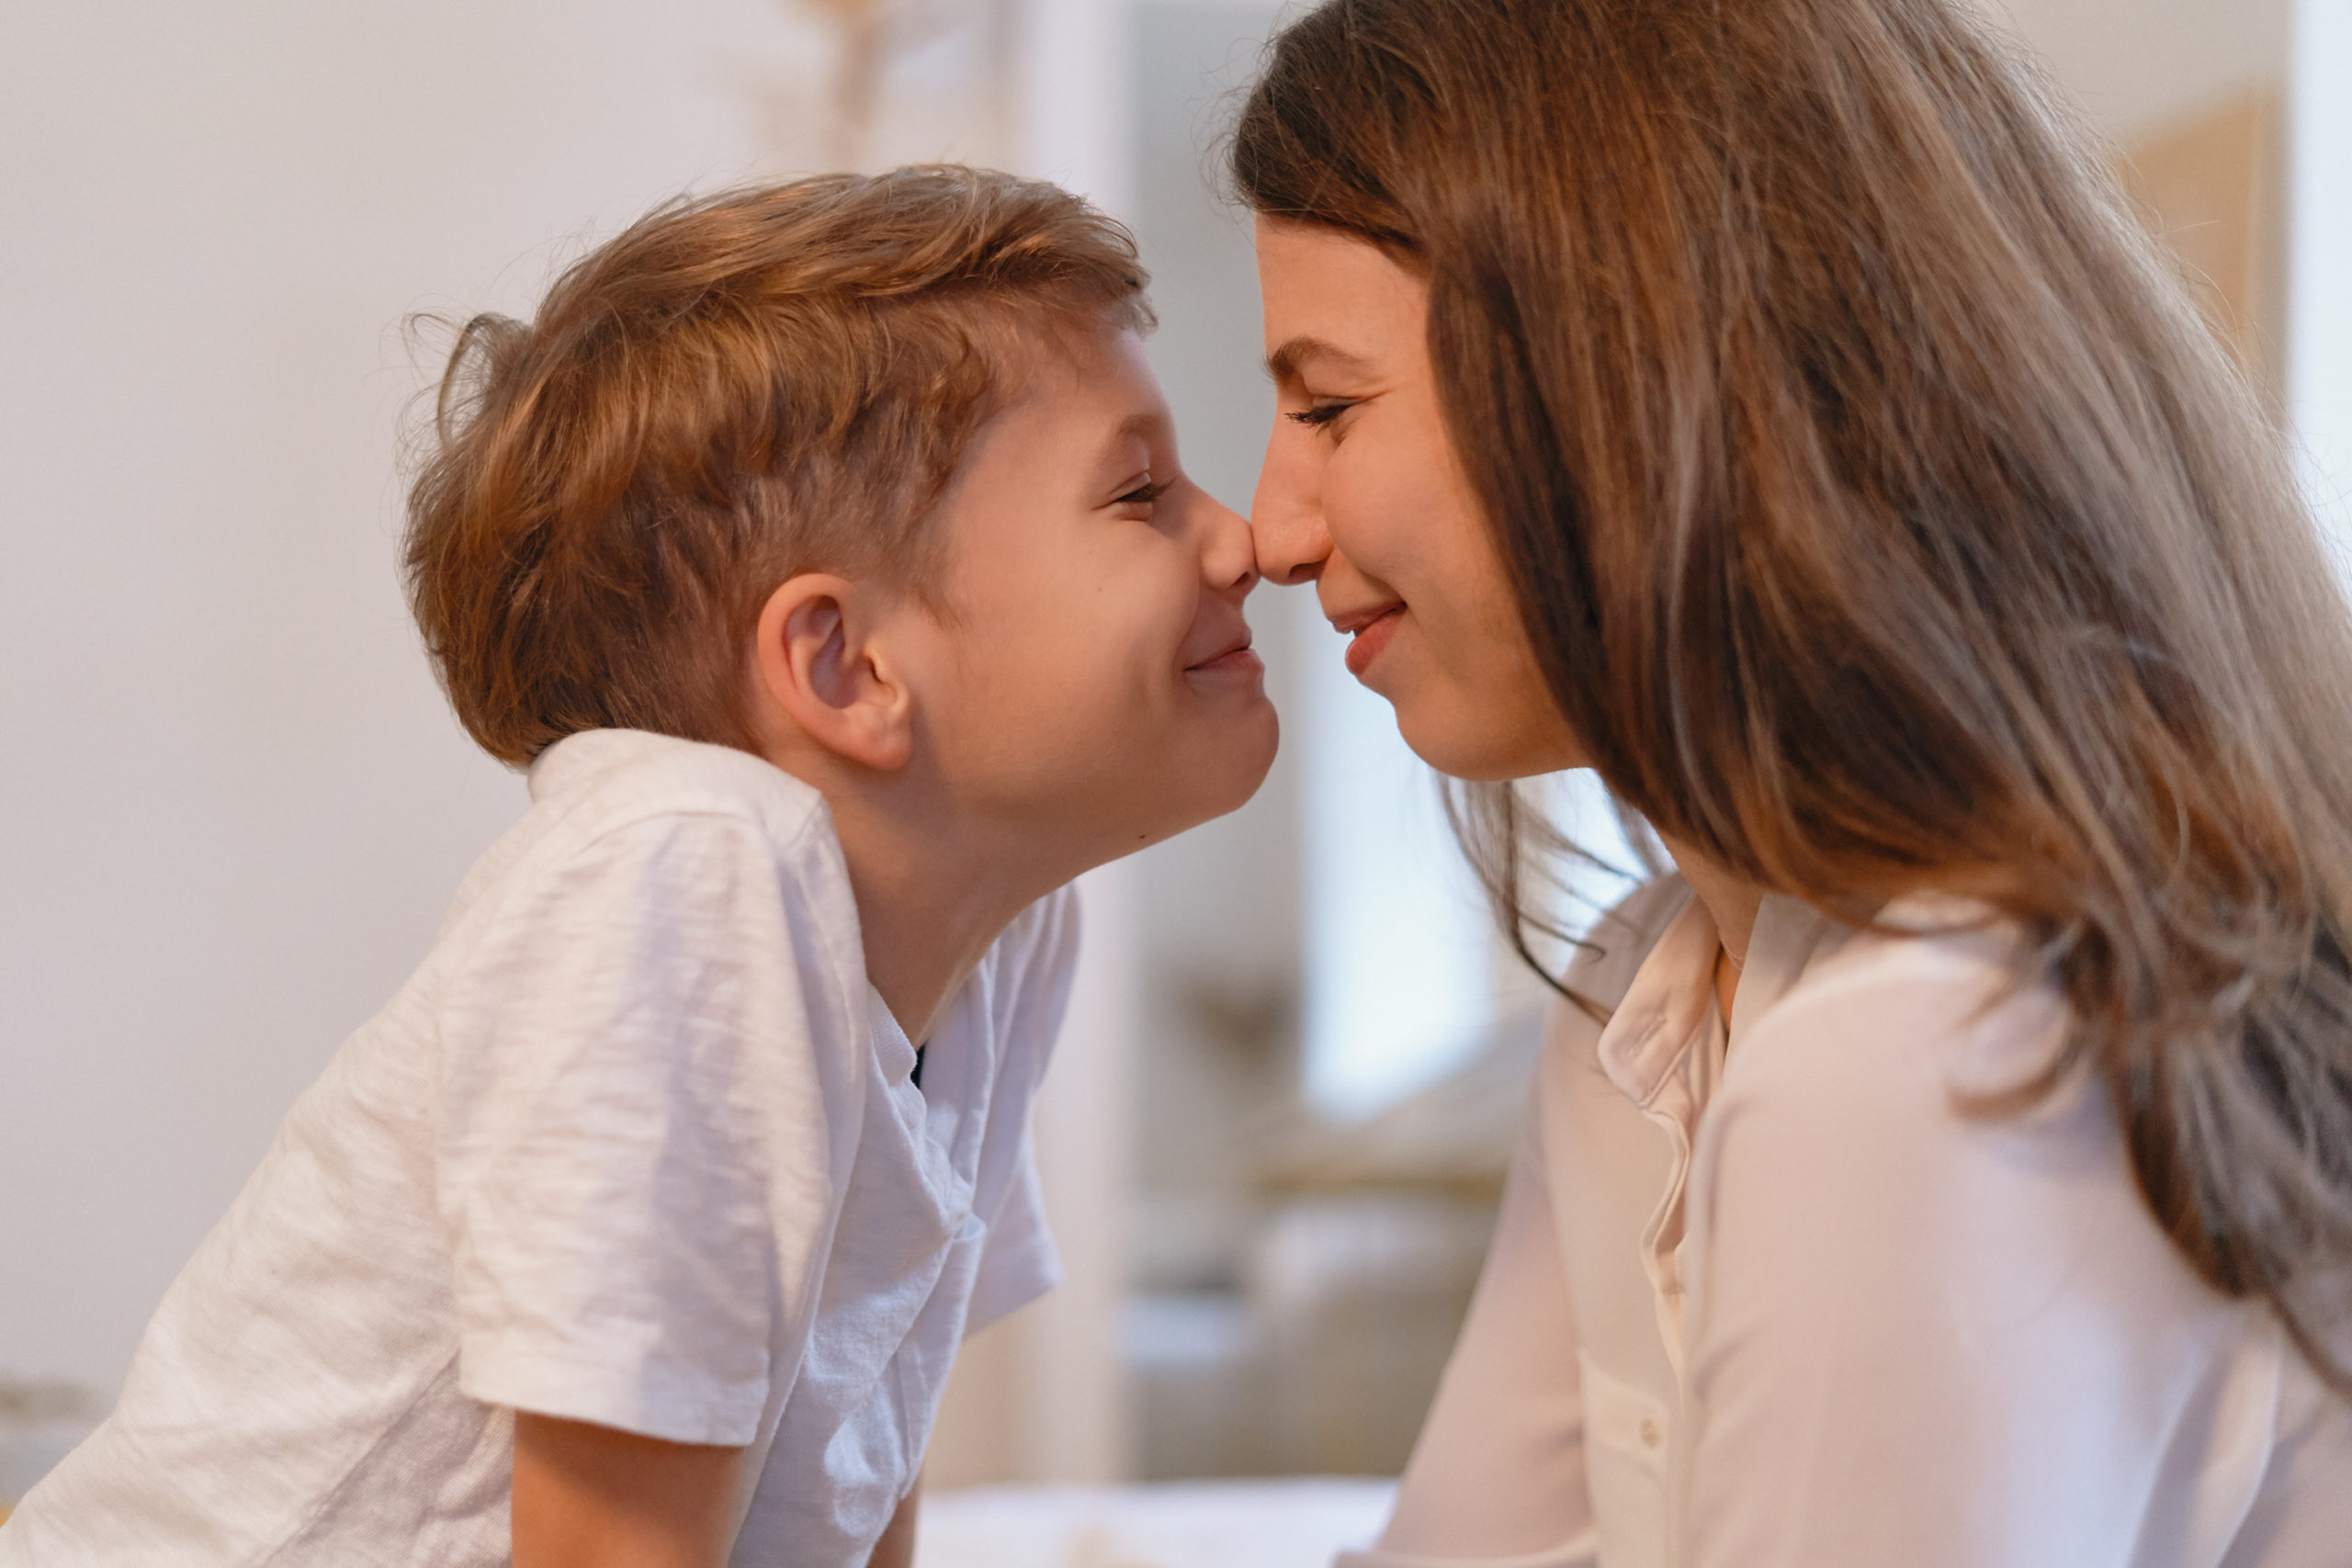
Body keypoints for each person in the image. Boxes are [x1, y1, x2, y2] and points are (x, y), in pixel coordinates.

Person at [0, 166, 1276, 1567]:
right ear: (847, 667)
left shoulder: (1003, 943)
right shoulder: (682, 869)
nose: (1246, 538)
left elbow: (863, 1469)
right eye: (1142, 492)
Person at [1234, 0, 2352, 1563]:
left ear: (1622, 368)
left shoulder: (1933, 1063)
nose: (1272, 530)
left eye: (1329, 405)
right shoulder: (1647, 1006)